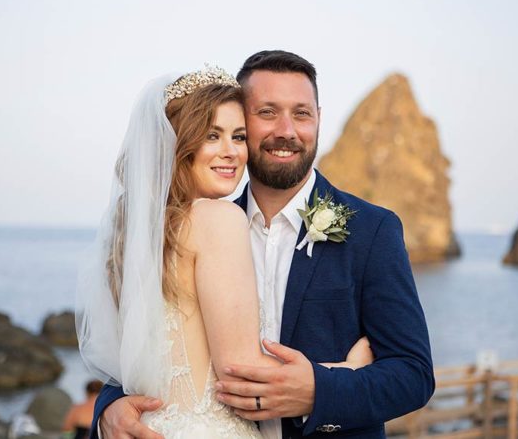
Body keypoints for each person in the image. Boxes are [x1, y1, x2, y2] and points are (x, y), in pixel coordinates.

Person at [93, 51, 435, 438]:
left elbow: (414, 374)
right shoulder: (196, 226)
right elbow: (144, 350)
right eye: (267, 112)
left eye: (301, 113)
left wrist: (321, 392)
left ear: (318, 118)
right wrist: (109, 411)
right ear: (244, 118)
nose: (286, 130)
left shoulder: (372, 231)